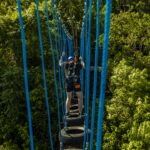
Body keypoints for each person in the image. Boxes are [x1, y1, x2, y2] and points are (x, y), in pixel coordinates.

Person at [59, 50, 85, 116]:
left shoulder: (66, 64)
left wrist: (62, 56)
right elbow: (84, 66)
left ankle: (67, 112)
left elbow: (60, 63)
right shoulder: (77, 64)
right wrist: (81, 60)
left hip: (69, 82)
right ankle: (80, 112)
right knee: (80, 97)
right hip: (76, 82)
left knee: (68, 98)